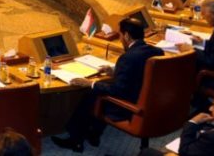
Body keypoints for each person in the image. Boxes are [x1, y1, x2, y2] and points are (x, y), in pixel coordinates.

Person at [52, 18, 164, 152]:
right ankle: (93, 133)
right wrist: (116, 71)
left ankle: (75, 139)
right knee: (98, 90)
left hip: (130, 107)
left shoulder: (128, 57)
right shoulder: (157, 52)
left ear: (127, 36)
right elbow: (141, 71)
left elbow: (117, 91)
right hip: (151, 102)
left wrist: (91, 83)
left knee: (92, 94)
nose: (120, 39)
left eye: (120, 35)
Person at [175, 0, 214, 111]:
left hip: (213, 76)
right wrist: (202, 42)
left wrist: (192, 50)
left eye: (204, 14)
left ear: (213, 14)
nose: (203, 18)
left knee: (183, 65)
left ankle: (185, 104)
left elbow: (212, 61)